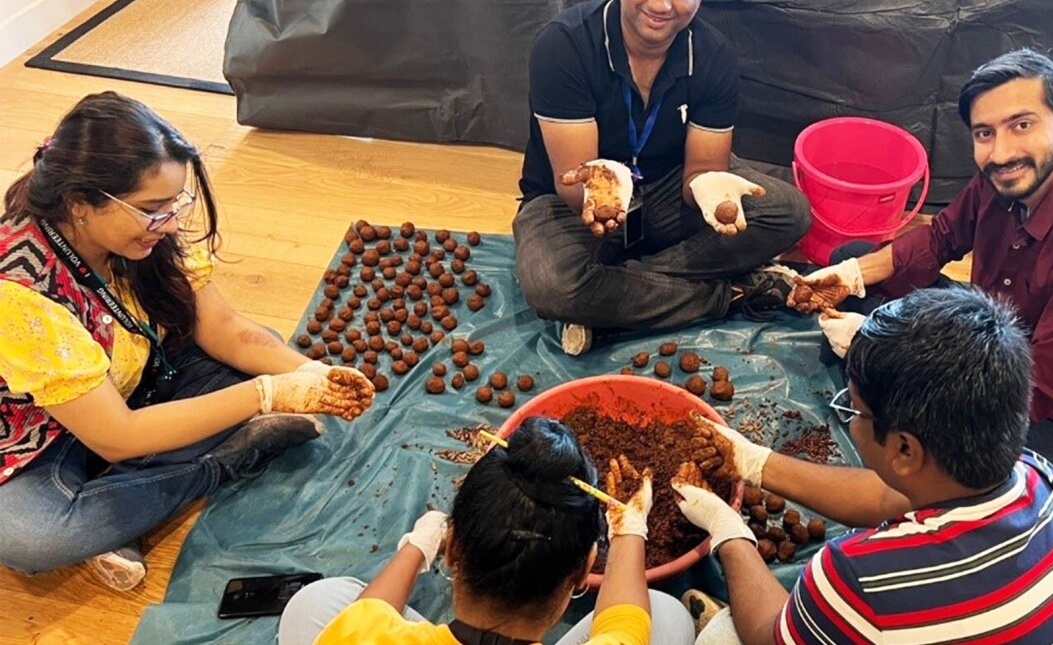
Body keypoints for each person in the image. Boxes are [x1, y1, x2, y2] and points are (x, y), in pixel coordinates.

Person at [0, 92, 375, 591]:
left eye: (175, 203)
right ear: (79, 203)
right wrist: (267, 395)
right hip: (42, 435)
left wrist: (307, 373)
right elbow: (116, 434)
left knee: (262, 346)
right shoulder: (20, 293)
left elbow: (222, 328)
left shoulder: (139, 226)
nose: (172, 221)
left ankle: (119, 506)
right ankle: (230, 458)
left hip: (136, 383)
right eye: (154, 209)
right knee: (31, 538)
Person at [791, 48, 1053, 481]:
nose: (1000, 153)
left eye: (1022, 125)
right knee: (855, 258)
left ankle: (885, 378)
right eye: (984, 134)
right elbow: (941, 238)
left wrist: (879, 346)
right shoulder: (1010, 173)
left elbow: (1033, 389)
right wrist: (850, 276)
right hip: (994, 327)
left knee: (948, 463)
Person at [674, 287, 1053, 644]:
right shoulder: (1044, 480)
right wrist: (754, 462)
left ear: (904, 451)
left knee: (725, 635)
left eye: (853, 410)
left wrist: (729, 531)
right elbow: (887, 497)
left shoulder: (862, 577)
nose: (850, 420)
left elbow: (770, 636)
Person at [513, 0, 811, 356]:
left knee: (790, 212)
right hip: (571, 205)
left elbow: (701, 173)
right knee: (552, 285)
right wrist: (602, 193)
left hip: (666, 192)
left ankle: (610, 295)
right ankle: (732, 294)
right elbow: (573, 183)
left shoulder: (712, 57)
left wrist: (711, 188)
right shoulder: (564, 46)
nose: (661, 5)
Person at [279, 416, 696, 645]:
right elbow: (627, 622)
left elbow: (363, 617)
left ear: (452, 548)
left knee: (314, 602)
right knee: (666, 616)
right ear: (582, 573)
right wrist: (628, 529)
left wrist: (415, 548)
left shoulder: (364, 636)